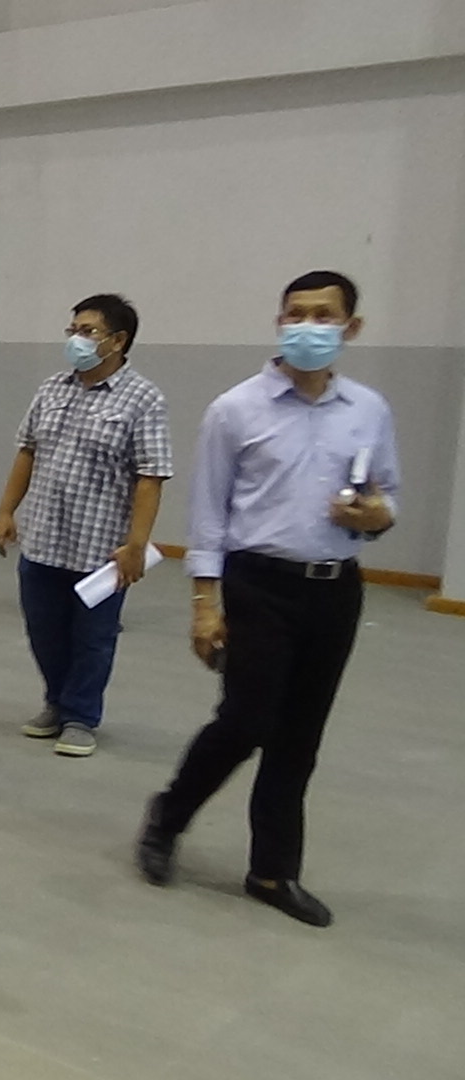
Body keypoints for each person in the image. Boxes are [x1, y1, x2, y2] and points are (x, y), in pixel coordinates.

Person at [137, 271, 399, 928]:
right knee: (246, 720)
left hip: (335, 588)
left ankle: (273, 871)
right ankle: (169, 816)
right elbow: (209, 514)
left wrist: (376, 516)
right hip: (259, 584)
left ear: (351, 328)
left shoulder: (368, 410)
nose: (308, 326)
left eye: (324, 315)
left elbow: (386, 497)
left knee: (300, 736)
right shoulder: (236, 409)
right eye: (295, 314)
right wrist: (205, 605)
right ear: (279, 323)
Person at [0, 294, 173, 758]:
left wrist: (136, 544)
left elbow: (150, 477)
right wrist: (7, 511)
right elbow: (27, 451)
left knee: (93, 638)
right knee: (44, 629)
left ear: (118, 340)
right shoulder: (53, 388)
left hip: (101, 546)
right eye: (73, 329)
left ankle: (80, 717)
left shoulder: (143, 398)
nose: (76, 339)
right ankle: (56, 701)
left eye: (88, 331)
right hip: (44, 537)